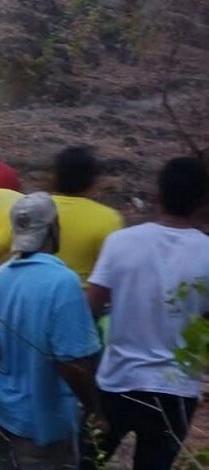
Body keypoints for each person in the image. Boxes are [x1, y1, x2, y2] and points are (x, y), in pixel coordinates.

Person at [84, 157, 209, 470]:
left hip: (117, 381)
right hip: (176, 389)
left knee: (84, 462)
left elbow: (90, 311)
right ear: (202, 202)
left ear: (157, 194)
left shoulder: (121, 243)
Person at [0, 192, 103, 469]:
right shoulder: (63, 283)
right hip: (42, 427)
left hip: (1, 415)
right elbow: (73, 364)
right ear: (53, 228)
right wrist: (95, 408)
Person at [50, 146, 123, 285]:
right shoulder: (108, 218)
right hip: (81, 299)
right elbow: (111, 272)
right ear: (92, 181)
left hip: (31, 294)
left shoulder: (32, 208)